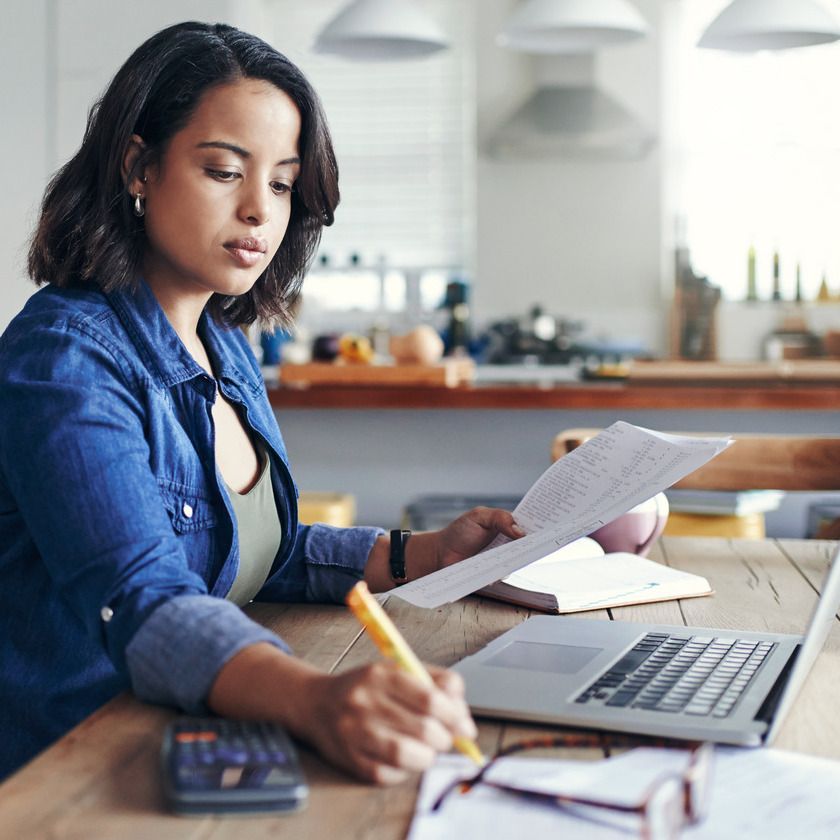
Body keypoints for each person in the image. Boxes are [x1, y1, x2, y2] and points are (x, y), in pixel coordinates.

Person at [0, 21, 523, 783]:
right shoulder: (65, 358)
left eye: (280, 183)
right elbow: (145, 599)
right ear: (139, 166)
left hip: (185, 737)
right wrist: (314, 698)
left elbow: (247, 553)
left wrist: (421, 553)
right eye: (223, 171)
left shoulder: (226, 346)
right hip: (71, 767)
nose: (260, 211)